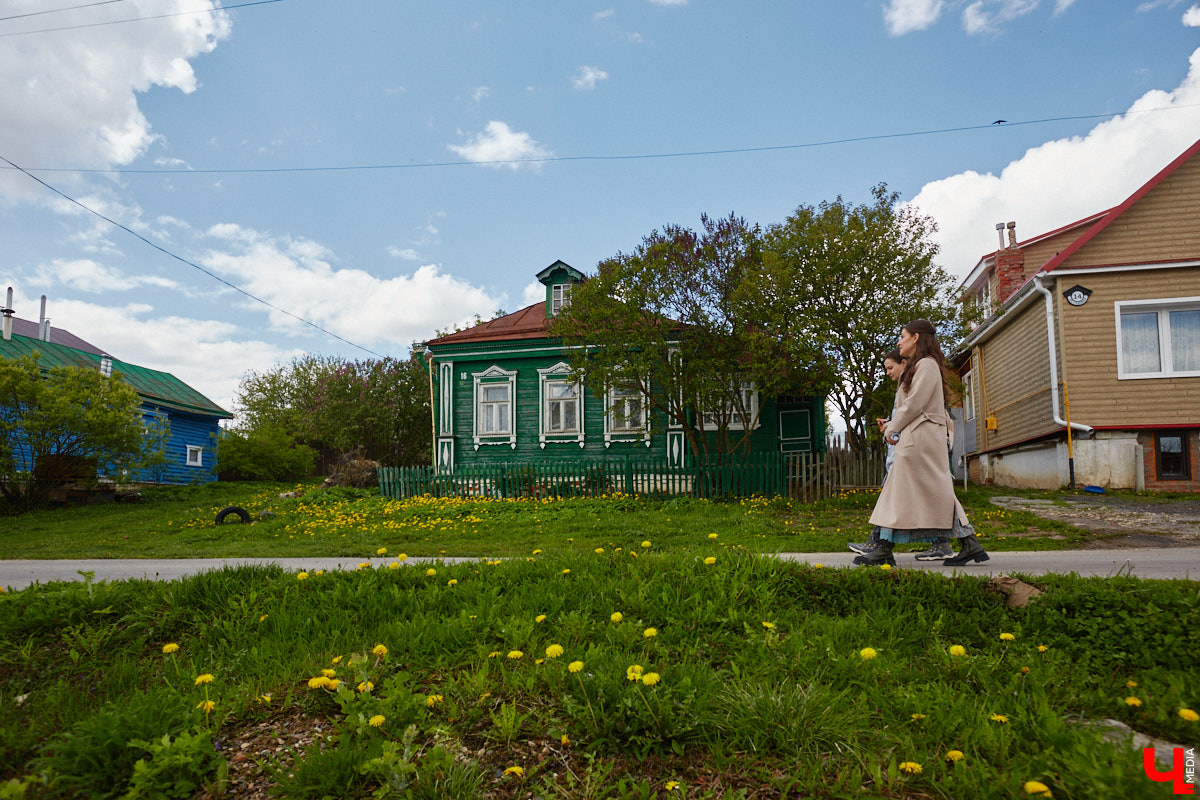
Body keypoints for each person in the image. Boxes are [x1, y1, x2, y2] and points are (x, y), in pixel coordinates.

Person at [853, 319, 989, 567]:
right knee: (935, 492)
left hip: (921, 440)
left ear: (915, 338)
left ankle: (883, 547)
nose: (899, 341)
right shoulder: (922, 366)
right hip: (920, 438)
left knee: (899, 491)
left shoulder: (926, 365)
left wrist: (892, 427)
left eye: (902, 336)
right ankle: (969, 543)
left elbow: (915, 404)